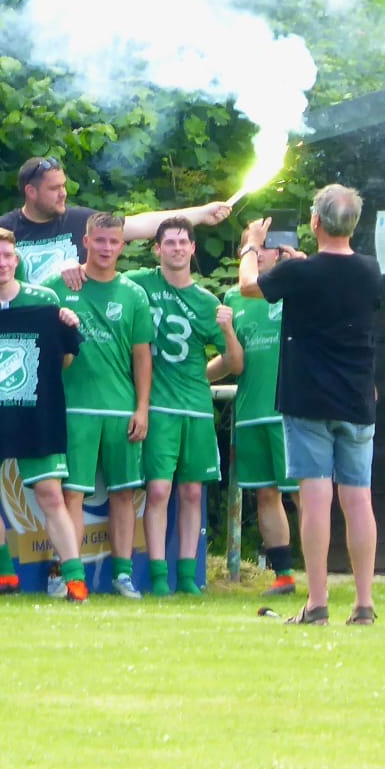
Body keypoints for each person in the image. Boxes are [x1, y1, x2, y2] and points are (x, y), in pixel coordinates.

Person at [240, 187, 383, 626]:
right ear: (353, 224)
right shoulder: (371, 270)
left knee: (315, 499)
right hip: (357, 398)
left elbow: (249, 287)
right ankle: (363, 604)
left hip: (308, 399)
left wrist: (250, 245)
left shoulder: (299, 274)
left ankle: (317, 602)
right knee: (358, 500)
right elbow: (335, 288)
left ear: (314, 223)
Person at [0, 227, 89, 600]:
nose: (2, 263)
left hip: (34, 412)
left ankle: (74, 578)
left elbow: (65, 361)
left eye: (7, 256)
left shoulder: (44, 300)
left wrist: (68, 326)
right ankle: (5, 576)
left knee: (50, 495)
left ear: (17, 259)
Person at [127, 217, 242, 595]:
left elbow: (234, 363)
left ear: (193, 249)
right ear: (157, 249)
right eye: (170, 242)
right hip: (157, 406)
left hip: (194, 406)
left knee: (193, 493)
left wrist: (225, 333)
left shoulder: (208, 301)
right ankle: (159, 578)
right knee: (158, 491)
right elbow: (102, 271)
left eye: (183, 242)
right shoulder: (140, 284)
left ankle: (189, 578)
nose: (177, 248)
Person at [62, 212, 155, 598]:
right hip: (74, 408)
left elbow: (142, 357)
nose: (105, 248)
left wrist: (142, 408)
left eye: (113, 242)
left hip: (121, 409)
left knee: (123, 494)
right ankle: (69, 575)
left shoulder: (132, 293)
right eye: (98, 241)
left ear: (122, 245)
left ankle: (122, 575)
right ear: (86, 242)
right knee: (72, 495)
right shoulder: (60, 285)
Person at [0, 155, 235, 290]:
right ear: (31, 192)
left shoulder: (81, 220)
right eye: (54, 188)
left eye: (64, 185)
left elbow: (143, 225)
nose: (63, 193)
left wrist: (203, 213)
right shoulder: (1, 230)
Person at [210, 233, 298, 597]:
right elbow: (235, 361)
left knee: (304, 495)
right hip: (251, 412)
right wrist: (188, 378)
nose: (255, 254)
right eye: (250, 247)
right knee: (265, 495)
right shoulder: (234, 298)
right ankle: (284, 576)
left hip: (291, 411)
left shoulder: (297, 288)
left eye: (260, 247)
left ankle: (320, 577)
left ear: (279, 252)